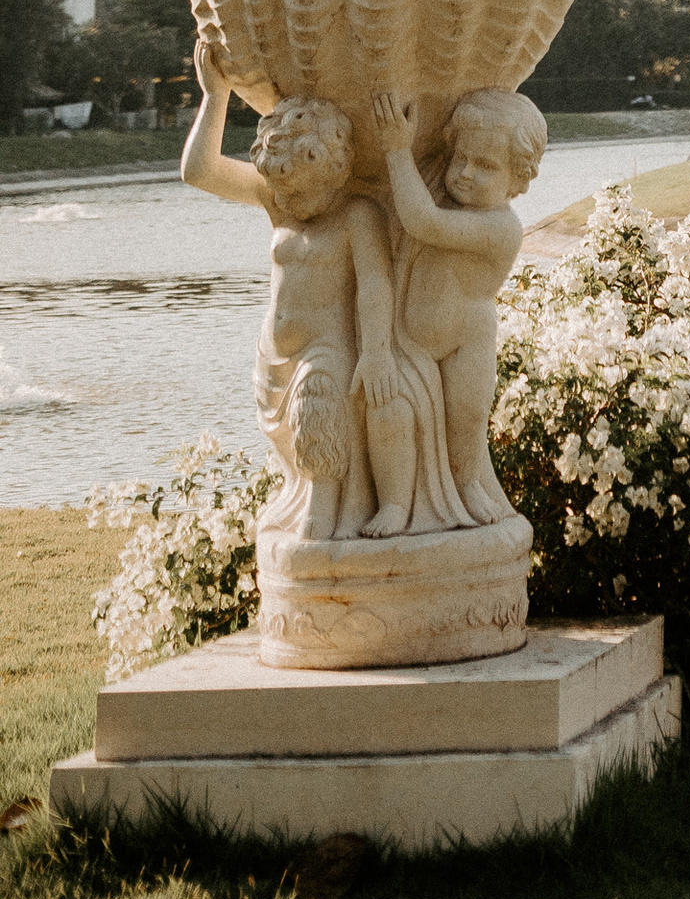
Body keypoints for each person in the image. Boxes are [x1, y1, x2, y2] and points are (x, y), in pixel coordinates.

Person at [183, 28, 399, 543]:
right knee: (298, 447)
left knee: (319, 418)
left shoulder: (357, 216)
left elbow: (374, 287)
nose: (289, 201)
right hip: (275, 354)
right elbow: (199, 172)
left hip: (327, 355)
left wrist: (376, 351)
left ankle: (325, 519)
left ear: (333, 169)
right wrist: (216, 97)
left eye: (301, 188)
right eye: (279, 185)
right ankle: (310, 505)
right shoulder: (278, 199)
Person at [370, 86, 546, 531]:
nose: (465, 173)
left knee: (465, 424)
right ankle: (394, 503)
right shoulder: (440, 193)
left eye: (486, 166)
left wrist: (396, 149)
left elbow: (423, 222)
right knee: (393, 420)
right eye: (460, 158)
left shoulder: (501, 227)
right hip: (408, 341)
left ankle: (467, 484)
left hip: (467, 343)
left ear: (518, 180)